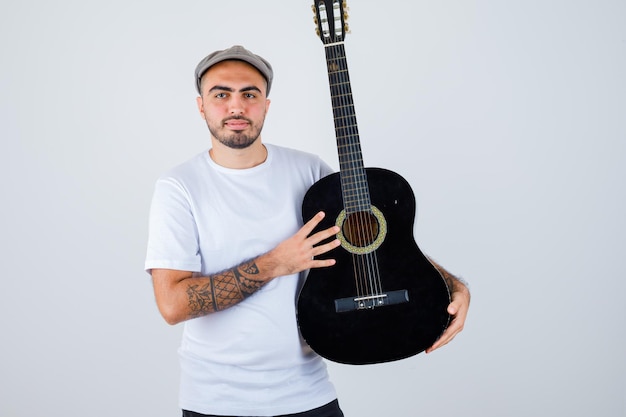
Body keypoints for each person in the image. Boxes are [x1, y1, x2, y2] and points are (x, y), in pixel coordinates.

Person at [145, 45, 470, 417]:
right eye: (221, 94)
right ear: (201, 105)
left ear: (266, 104)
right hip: (216, 401)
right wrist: (275, 263)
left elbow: (375, 242)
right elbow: (172, 305)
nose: (236, 107)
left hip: (308, 394)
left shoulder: (310, 172)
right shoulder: (179, 187)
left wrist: (453, 286)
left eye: (249, 94)